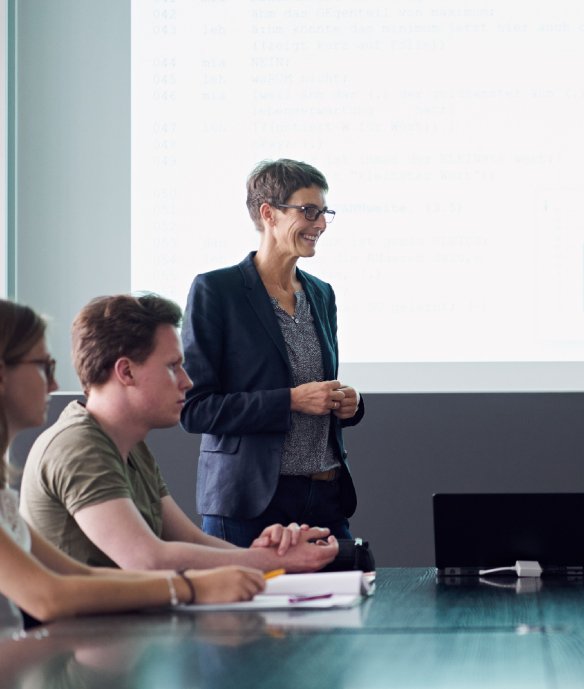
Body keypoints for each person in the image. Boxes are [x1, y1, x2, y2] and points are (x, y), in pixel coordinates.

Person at [19, 294, 338, 572]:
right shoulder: (79, 446)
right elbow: (148, 560)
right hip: (78, 639)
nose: (187, 381)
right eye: (173, 367)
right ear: (126, 371)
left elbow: (191, 540)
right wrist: (275, 562)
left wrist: (266, 556)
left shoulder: (129, 445)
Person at [0, 299, 264, 635]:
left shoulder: (130, 445)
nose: (54, 384)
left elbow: (75, 576)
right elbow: (48, 596)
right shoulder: (77, 443)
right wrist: (192, 586)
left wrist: (254, 561)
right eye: (43, 367)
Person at [180, 159, 364, 547]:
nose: (320, 224)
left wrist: (349, 403)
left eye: (324, 212)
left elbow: (316, 390)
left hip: (324, 494)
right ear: (269, 214)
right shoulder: (217, 291)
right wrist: (292, 401)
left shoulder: (321, 293)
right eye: (308, 211)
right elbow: (196, 408)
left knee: (347, 604)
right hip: (250, 502)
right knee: (248, 610)